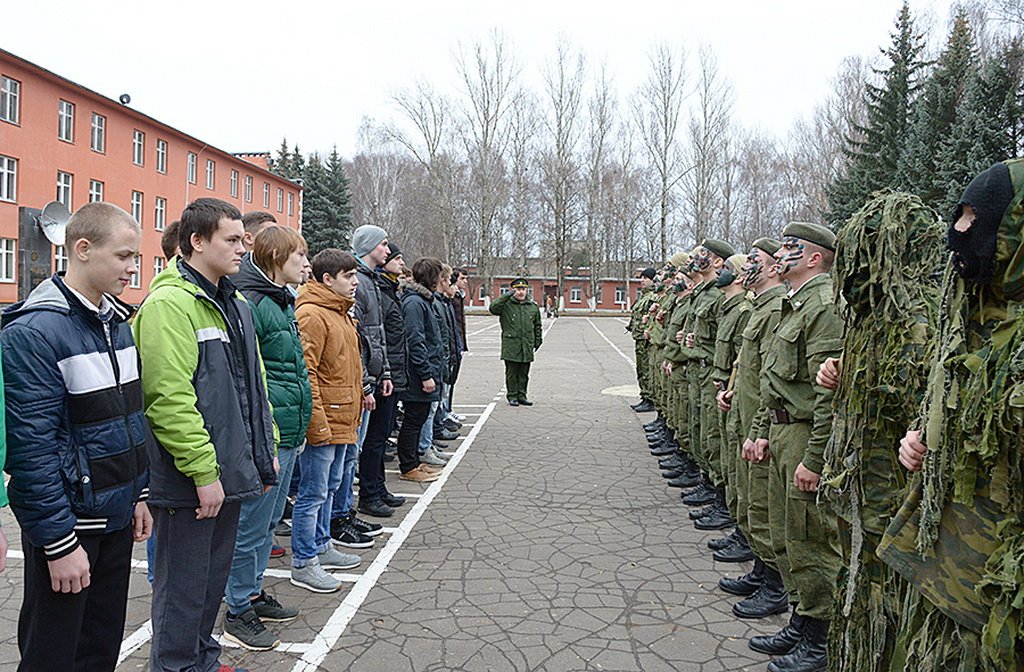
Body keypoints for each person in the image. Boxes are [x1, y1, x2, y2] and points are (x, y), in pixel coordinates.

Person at [877, 160, 1024, 670]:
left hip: (998, 591)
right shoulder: (970, 317)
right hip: (948, 567)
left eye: (970, 218)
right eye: (956, 217)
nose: (957, 233)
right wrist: (922, 435)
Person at [2, 202, 151, 671]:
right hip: (69, 528)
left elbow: (130, 419)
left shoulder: (117, 323)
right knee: (53, 653)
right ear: (82, 250)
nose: (133, 269)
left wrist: (139, 494)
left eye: (137, 259)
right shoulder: (34, 332)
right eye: (125, 256)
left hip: (115, 517)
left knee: (99, 648)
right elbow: (31, 450)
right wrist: (58, 542)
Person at [133, 198, 277, 672]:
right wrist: (201, 471)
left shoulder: (233, 302)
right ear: (197, 242)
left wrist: (266, 447)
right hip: (191, 481)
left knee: (210, 586)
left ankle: (202, 661)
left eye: (244, 239)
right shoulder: (170, 305)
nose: (243, 248)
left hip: (227, 472)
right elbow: (168, 399)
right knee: (183, 594)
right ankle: (177, 665)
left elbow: (253, 386)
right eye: (232, 240)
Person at [812, 192, 944, 672]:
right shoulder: (870, 319)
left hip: (889, 503)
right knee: (857, 599)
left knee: (882, 606)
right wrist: (841, 368)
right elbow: (868, 385)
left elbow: (922, 411)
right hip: (860, 494)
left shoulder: (916, 323)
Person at [753, 222, 843, 671]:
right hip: (785, 431)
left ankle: (820, 640)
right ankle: (801, 621)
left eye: (792, 246)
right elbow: (774, 379)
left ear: (814, 258)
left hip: (807, 435)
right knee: (790, 537)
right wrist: (766, 429)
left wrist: (815, 458)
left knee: (811, 541)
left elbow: (827, 393)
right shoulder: (796, 304)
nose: (781, 253)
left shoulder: (822, 306)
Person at [223, 225, 312, 649]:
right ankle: (237, 608)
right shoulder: (254, 303)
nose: (305, 265)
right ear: (277, 258)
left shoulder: (281, 302)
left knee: (269, 522)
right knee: (251, 526)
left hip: (290, 429)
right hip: (268, 434)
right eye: (298, 257)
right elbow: (249, 379)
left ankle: (253, 593)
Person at [292, 249, 365, 593]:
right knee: (313, 492)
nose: (355, 283)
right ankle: (304, 561)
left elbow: (346, 365)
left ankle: (322, 545)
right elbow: (307, 373)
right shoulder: (312, 314)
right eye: (348, 277)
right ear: (327, 279)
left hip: (344, 415)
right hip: (326, 420)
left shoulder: (341, 312)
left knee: (332, 485)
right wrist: (317, 424)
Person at [329, 225, 393, 545]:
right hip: (355, 386)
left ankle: (345, 512)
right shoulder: (360, 285)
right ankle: (339, 516)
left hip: (367, 379)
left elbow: (375, 335)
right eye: (382, 244)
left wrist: (384, 374)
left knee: (351, 454)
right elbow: (356, 342)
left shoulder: (370, 281)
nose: (387, 249)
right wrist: (367, 383)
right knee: (348, 454)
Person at [358, 243, 410, 517]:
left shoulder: (383, 288)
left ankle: (377, 488)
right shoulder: (367, 285)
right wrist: (374, 377)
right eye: (394, 256)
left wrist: (388, 373)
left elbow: (383, 338)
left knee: (379, 436)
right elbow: (370, 338)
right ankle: (369, 492)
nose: (397, 261)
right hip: (375, 376)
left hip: (387, 374)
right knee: (374, 439)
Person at [398, 258, 447, 483]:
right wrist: (425, 374)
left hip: (426, 371)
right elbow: (415, 340)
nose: (440, 281)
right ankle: (408, 466)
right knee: (413, 419)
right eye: (437, 276)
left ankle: (415, 462)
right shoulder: (414, 303)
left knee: (418, 418)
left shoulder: (423, 300)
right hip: (417, 375)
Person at [490, 278, 542, 406]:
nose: (521, 292)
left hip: (526, 345)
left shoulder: (532, 307)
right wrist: (507, 295)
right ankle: (512, 395)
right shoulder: (506, 306)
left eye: (523, 289)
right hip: (511, 345)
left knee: (524, 373)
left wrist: (537, 341)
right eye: (518, 289)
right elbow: (493, 308)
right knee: (512, 373)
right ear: (513, 290)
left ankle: (522, 395)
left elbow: (537, 326)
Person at [629, 267, 658, 412]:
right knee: (641, 369)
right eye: (641, 278)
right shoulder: (643, 297)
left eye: (646, 278)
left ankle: (649, 399)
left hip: (646, 340)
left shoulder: (653, 297)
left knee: (646, 370)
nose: (642, 281)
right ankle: (644, 396)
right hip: (639, 338)